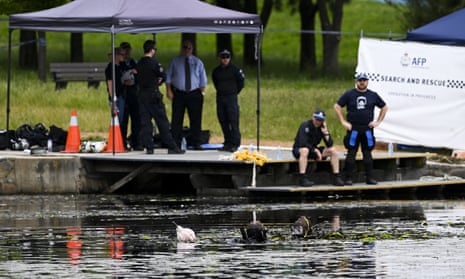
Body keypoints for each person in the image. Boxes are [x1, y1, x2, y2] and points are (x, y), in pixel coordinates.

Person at [334, 73, 388, 185]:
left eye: (364, 80)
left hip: (367, 129)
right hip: (353, 129)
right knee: (351, 153)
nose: (362, 82)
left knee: (367, 153)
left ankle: (369, 178)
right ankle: (349, 178)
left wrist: (378, 121)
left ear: (367, 81)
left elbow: (384, 107)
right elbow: (337, 106)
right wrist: (343, 121)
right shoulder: (349, 94)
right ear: (356, 81)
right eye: (360, 80)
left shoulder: (373, 95)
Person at [135, 40, 184, 155]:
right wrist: (159, 80)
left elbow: (137, 78)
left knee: (146, 123)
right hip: (153, 95)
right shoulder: (154, 63)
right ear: (152, 50)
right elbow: (163, 76)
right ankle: (172, 146)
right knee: (162, 122)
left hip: (142, 95)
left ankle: (149, 147)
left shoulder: (139, 64)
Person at [166, 40, 207, 150]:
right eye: (185, 47)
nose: (187, 50)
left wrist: (201, 93)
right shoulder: (174, 61)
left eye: (189, 48)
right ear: (182, 48)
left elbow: (203, 81)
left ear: (192, 49)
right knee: (177, 119)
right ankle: (175, 142)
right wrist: (168, 90)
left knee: (196, 119)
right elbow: (168, 78)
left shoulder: (198, 62)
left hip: (194, 93)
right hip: (179, 93)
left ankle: (196, 142)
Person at [292, 109, 344, 187]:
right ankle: (302, 177)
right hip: (300, 149)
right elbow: (303, 143)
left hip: (314, 150)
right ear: (313, 117)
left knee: (333, 151)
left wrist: (325, 132)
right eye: (317, 119)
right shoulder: (305, 125)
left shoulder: (321, 128)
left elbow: (330, 144)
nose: (318, 122)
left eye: (320, 120)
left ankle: (336, 176)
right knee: (305, 150)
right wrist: (315, 150)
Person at [212, 49, 245, 153]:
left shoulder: (235, 70)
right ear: (219, 58)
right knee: (223, 120)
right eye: (223, 57)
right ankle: (227, 142)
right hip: (221, 97)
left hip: (231, 97)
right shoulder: (216, 71)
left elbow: (241, 82)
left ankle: (235, 143)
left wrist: (234, 92)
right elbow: (216, 83)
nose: (225, 59)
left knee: (233, 120)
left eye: (227, 57)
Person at [119, 42, 143, 151]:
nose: (127, 52)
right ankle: (122, 142)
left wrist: (134, 80)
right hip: (123, 95)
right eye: (124, 50)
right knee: (123, 120)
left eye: (128, 50)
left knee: (136, 120)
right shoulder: (118, 64)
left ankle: (136, 142)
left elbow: (140, 76)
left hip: (134, 94)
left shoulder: (134, 62)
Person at [105, 47, 126, 126]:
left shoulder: (119, 66)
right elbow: (110, 82)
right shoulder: (111, 68)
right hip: (116, 97)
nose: (124, 57)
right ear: (116, 55)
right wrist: (113, 97)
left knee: (121, 119)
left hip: (121, 95)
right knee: (117, 120)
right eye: (122, 55)